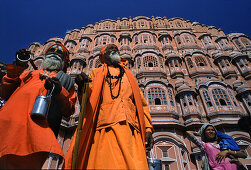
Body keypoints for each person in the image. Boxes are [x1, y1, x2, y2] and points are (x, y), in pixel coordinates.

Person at [64, 44, 154, 169]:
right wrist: (82, 87)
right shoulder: (96, 73)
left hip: (132, 131)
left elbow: (141, 103)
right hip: (105, 128)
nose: (114, 50)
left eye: (115, 49)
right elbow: (88, 97)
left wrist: (148, 129)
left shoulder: (129, 76)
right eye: (109, 49)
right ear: (103, 56)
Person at [0, 43, 76, 169]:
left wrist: (59, 91)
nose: (55, 53)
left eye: (60, 53)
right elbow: (5, 92)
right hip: (6, 124)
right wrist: (18, 67)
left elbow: (69, 110)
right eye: (51, 51)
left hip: (35, 133)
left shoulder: (65, 81)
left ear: (64, 62)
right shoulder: (29, 74)